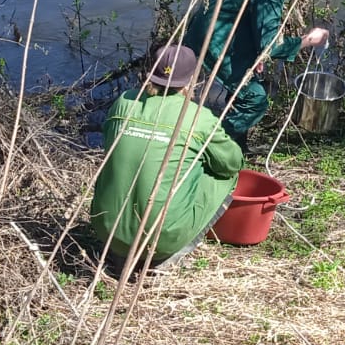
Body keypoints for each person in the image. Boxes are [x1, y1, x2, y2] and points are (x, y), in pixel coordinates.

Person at [89, 44, 242, 270]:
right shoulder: (199, 118)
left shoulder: (123, 102)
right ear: (192, 80)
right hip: (160, 240)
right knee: (225, 176)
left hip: (106, 228)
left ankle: (124, 247)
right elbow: (231, 164)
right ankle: (170, 251)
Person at [180, 0, 331, 152]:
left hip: (205, 30)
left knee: (243, 90)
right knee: (255, 100)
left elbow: (240, 16)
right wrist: (309, 40)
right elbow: (272, 47)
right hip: (213, 41)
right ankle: (204, 148)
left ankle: (238, 148)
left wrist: (255, 54)